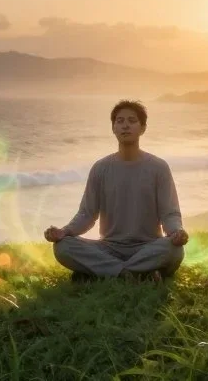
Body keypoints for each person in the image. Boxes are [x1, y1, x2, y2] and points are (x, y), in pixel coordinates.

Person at [45, 99, 188, 282]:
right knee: (63, 247)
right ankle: (137, 272)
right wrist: (64, 232)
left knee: (174, 250)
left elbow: (169, 213)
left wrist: (176, 232)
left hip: (148, 247)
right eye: (120, 121)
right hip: (109, 248)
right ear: (113, 128)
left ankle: (105, 272)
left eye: (132, 121)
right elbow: (87, 214)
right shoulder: (100, 168)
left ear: (143, 128)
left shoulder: (158, 167)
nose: (125, 126)